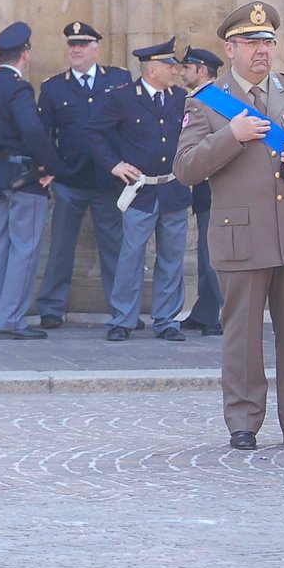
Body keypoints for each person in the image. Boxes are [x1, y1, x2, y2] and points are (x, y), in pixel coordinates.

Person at [174, 1, 284, 450]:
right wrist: (232, 136)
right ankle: (244, 420)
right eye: (251, 43)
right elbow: (187, 168)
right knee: (242, 334)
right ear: (231, 49)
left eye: (267, 42)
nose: (261, 51)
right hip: (240, 233)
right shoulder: (207, 102)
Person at [87, 38, 192, 341]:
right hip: (140, 191)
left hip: (173, 188)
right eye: (169, 66)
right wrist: (114, 165)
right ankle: (123, 318)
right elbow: (93, 132)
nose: (175, 71)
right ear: (152, 70)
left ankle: (167, 319)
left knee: (171, 258)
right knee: (131, 257)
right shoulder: (123, 98)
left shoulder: (180, 98)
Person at [34, 22, 131, 330]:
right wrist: (49, 169)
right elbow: (44, 135)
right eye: (72, 44)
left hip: (108, 180)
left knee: (115, 249)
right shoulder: (53, 88)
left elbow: (130, 126)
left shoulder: (118, 80)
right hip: (70, 180)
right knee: (60, 247)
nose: (75, 49)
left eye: (82, 44)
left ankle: (122, 310)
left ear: (96, 49)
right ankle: (51, 307)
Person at [0, 25, 62, 339]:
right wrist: (51, 165)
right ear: (25, 54)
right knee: (24, 248)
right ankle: (11, 320)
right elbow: (32, 130)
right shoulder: (18, 88)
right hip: (23, 176)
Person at [175, 45, 225, 336]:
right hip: (202, 187)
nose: (182, 72)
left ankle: (219, 313)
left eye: (187, 68)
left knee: (213, 255)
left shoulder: (216, 101)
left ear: (202, 71)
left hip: (215, 186)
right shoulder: (197, 99)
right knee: (205, 253)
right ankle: (206, 311)